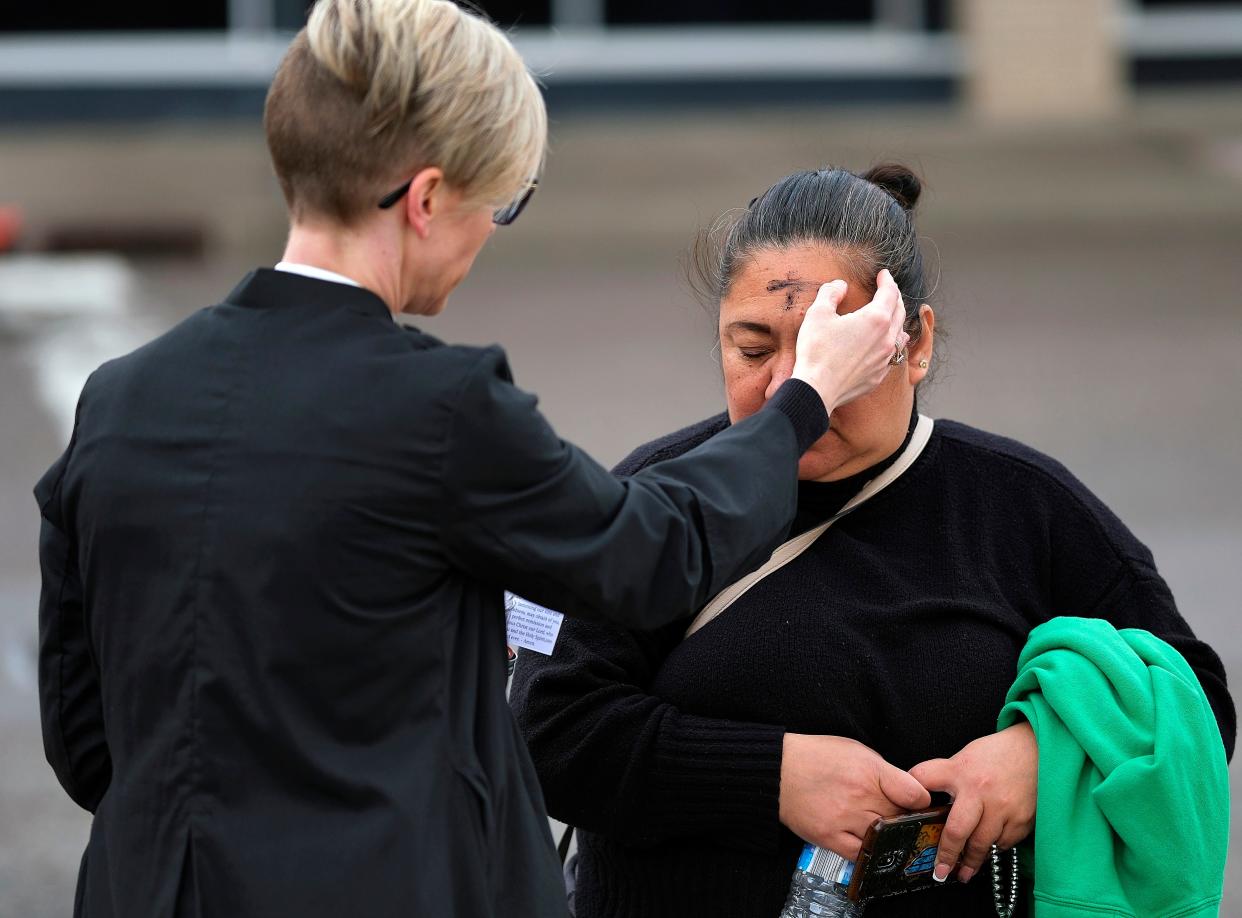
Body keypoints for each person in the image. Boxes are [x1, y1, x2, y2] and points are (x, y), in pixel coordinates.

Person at [32, 4, 910, 917]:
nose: (492, 230)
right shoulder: (440, 409)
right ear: (425, 199)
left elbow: (85, 735)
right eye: (500, 202)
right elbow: (658, 553)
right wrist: (805, 396)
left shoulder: (120, 399)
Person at [509, 164, 1236, 917]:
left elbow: (1196, 701)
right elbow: (548, 729)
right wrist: (776, 776)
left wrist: (1043, 757)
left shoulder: (1023, 506)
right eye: (753, 349)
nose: (792, 386)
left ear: (913, 344)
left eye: (834, 353)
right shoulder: (658, 501)